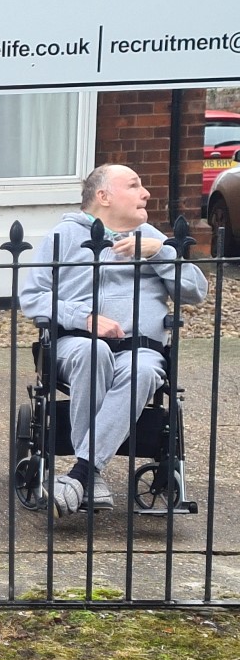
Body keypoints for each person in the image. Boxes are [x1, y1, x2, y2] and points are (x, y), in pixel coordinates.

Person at [18, 164, 208, 515]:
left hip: (140, 349)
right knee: (94, 353)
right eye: (134, 185)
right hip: (76, 345)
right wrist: (84, 318)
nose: (145, 193)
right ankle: (88, 476)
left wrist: (161, 253)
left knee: (144, 370)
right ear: (103, 196)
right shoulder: (63, 236)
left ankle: (82, 475)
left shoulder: (151, 238)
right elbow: (32, 297)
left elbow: (197, 292)